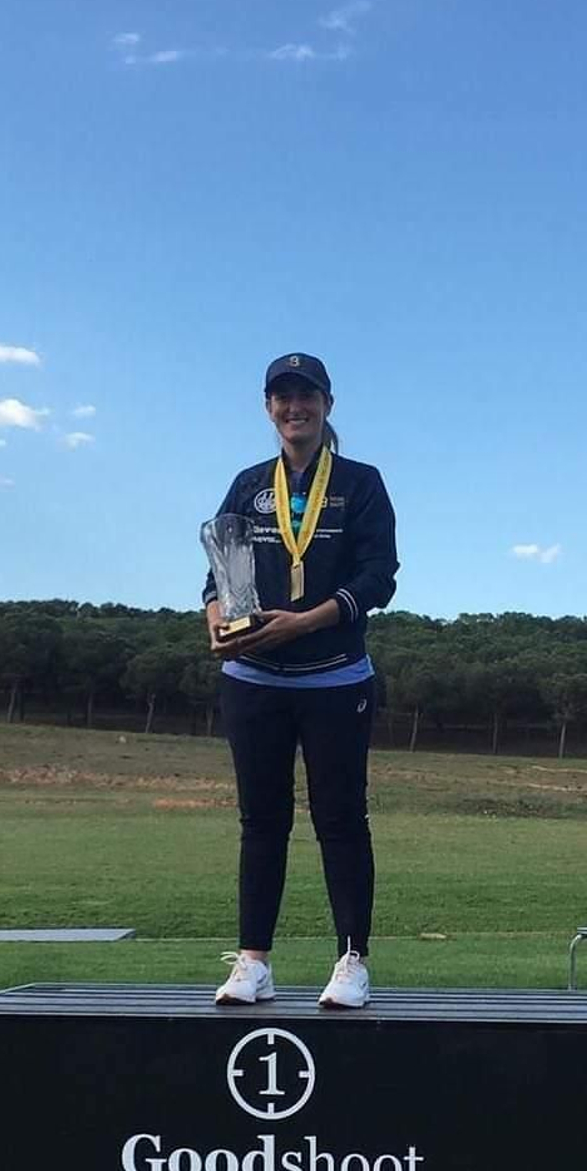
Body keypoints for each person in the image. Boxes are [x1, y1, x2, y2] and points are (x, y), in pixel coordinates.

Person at [205, 353, 399, 1010]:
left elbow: (380, 576)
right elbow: (219, 573)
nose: (296, 408)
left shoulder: (361, 483)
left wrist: (306, 621)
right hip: (252, 677)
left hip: (334, 678)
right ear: (268, 408)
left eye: (306, 396)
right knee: (261, 821)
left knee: (340, 819)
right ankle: (254, 960)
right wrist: (216, 622)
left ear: (327, 404)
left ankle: (351, 959)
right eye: (283, 397)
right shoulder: (246, 484)